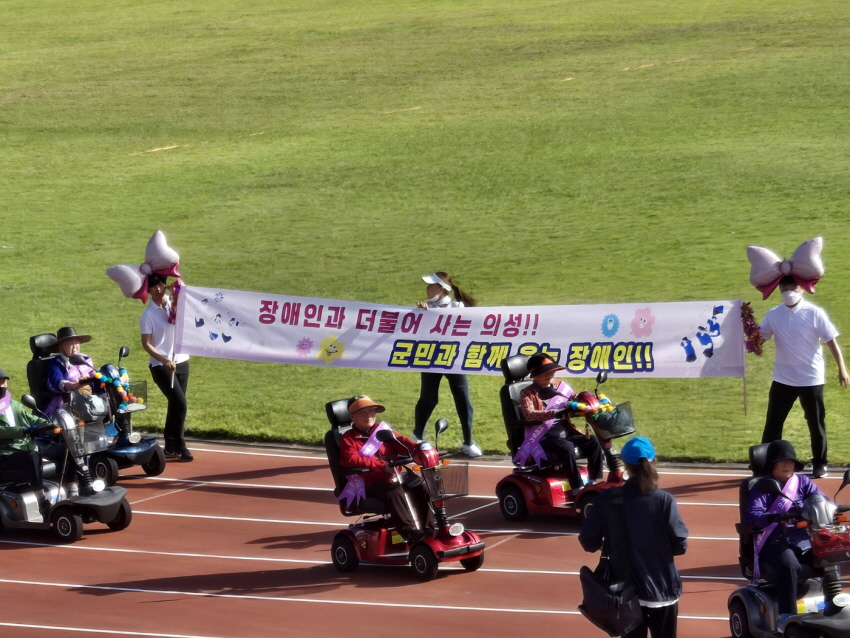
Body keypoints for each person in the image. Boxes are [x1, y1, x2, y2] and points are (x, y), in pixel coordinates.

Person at [580, 437, 688, 638]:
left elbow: (589, 542)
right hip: (661, 588)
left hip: (623, 593)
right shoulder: (664, 500)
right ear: (654, 461)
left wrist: (613, 543)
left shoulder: (607, 498)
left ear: (625, 465)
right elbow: (680, 545)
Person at [760, 275, 850, 478]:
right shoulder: (773, 314)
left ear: (802, 287)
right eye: (784, 285)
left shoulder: (814, 313)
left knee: (815, 422)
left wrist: (842, 369)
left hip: (811, 378)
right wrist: (744, 327)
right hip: (783, 378)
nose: (788, 289)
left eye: (792, 285)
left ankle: (820, 463)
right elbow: (758, 340)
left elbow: (831, 341)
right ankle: (767, 464)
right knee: (773, 422)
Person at [744, 439, 825, 622]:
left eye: (791, 462)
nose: (788, 465)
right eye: (783, 462)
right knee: (790, 565)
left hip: (804, 538)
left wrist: (831, 508)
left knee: (831, 554)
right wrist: (774, 516)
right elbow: (752, 517)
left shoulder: (803, 482)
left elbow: (821, 500)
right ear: (772, 464)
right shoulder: (762, 486)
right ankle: (786, 616)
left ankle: (831, 605)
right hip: (774, 540)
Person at [340, 396, 430, 543]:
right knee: (393, 489)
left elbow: (404, 443)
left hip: (392, 478)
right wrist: (382, 466)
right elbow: (352, 460)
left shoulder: (383, 432)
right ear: (352, 417)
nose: (369, 415)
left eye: (372, 411)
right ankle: (410, 533)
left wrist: (421, 449)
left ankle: (429, 530)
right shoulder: (348, 438)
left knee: (420, 485)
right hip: (366, 484)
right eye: (363, 412)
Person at [412, 272, 480, 457]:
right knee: (428, 398)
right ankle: (416, 436)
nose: (427, 288)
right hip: (431, 359)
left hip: (454, 359)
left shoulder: (458, 307)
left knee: (462, 399)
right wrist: (422, 314)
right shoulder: (424, 308)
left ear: (442, 288)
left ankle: (468, 442)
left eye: (431, 285)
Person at [519, 353, 603, 494]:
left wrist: (592, 401)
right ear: (535, 374)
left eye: (551, 371)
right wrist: (554, 412)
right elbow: (529, 414)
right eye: (545, 372)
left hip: (566, 432)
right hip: (544, 437)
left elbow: (575, 399)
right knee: (567, 446)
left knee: (593, 441)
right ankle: (576, 487)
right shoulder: (527, 392)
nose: (550, 374)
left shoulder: (560, 386)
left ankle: (593, 481)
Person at [140, 273, 193, 461]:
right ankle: (180, 445)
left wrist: (178, 289)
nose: (158, 289)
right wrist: (163, 360)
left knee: (176, 404)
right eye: (153, 286)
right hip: (161, 365)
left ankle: (170, 445)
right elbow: (146, 344)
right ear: (148, 290)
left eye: (161, 284)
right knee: (180, 403)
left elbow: (190, 303)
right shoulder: (148, 314)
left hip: (181, 360)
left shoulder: (174, 302)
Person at [0, 369, 52, 515]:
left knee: (64, 447)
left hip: (27, 448)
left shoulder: (14, 404)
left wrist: (49, 423)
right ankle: (42, 500)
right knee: (31, 456)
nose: (2, 386)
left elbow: (31, 419)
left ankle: (75, 487)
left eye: (4, 382)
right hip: (6, 454)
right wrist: (23, 431)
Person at [45, 326, 98, 416]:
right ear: (60, 346)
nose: (75, 347)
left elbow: (94, 376)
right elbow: (57, 381)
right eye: (70, 343)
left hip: (91, 400)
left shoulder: (85, 359)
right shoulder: (56, 363)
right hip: (67, 404)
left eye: (77, 343)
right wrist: (73, 385)